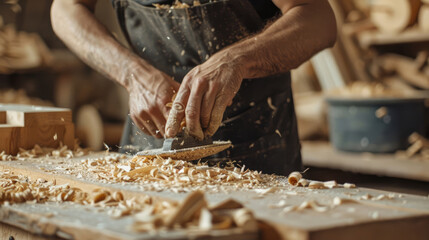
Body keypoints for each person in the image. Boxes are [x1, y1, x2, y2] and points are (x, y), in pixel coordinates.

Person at [51, 0, 336, 175]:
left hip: (255, 144)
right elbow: (65, 8)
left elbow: (319, 20)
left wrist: (236, 60)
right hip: (151, 139)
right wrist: (131, 73)